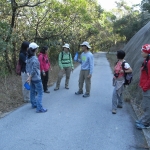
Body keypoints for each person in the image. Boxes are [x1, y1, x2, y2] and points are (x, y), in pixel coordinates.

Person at [26, 42, 47, 113]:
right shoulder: (35, 59)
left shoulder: (28, 58)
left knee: (32, 91)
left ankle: (34, 104)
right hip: (36, 78)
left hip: (31, 79)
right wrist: (30, 76)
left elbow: (27, 68)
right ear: (35, 49)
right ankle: (39, 108)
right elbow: (34, 69)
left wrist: (29, 76)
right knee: (40, 93)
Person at [112, 50, 132, 114]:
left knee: (114, 94)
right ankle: (120, 104)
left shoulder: (125, 63)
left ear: (118, 56)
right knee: (119, 92)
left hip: (121, 80)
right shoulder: (118, 62)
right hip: (116, 80)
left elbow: (131, 70)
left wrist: (123, 71)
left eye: (117, 54)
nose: (116, 55)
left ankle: (114, 108)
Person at [136, 44, 150, 129]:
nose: (141, 52)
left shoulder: (149, 62)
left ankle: (145, 123)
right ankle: (143, 119)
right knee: (146, 105)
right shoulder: (146, 60)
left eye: (143, 51)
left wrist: (145, 87)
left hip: (147, 88)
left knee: (147, 106)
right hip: (145, 87)